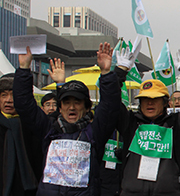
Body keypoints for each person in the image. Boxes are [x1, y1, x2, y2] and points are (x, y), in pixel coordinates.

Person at [13, 43, 121, 195]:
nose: (72, 107)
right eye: (67, 102)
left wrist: (106, 73)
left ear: (86, 107)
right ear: (60, 107)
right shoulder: (48, 130)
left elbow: (110, 107)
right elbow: (24, 105)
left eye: (77, 102)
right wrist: (24, 68)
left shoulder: (94, 132)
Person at [117, 49, 180, 196]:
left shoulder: (176, 125)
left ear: (165, 103)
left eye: (155, 99)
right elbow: (110, 103)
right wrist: (120, 71)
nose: (149, 104)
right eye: (145, 99)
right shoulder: (130, 124)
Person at [0, 73, 42, 196]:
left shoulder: (32, 125)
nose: (9, 100)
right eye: (4, 95)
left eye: (13, 95)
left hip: (26, 189)